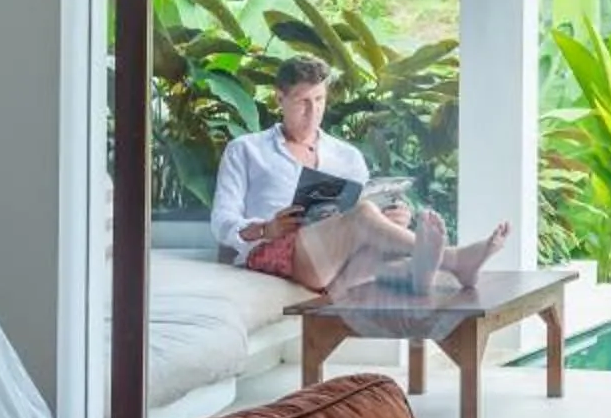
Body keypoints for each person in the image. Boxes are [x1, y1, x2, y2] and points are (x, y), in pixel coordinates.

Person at [210, 55, 506, 295]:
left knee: (372, 224)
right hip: (279, 250)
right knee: (364, 215)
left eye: (320, 100)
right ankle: (454, 260)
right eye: (302, 101)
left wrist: (392, 218)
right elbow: (222, 223)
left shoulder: (347, 156)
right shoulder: (246, 150)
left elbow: (367, 207)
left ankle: (419, 272)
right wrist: (266, 229)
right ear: (280, 98)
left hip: (337, 254)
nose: (313, 112)